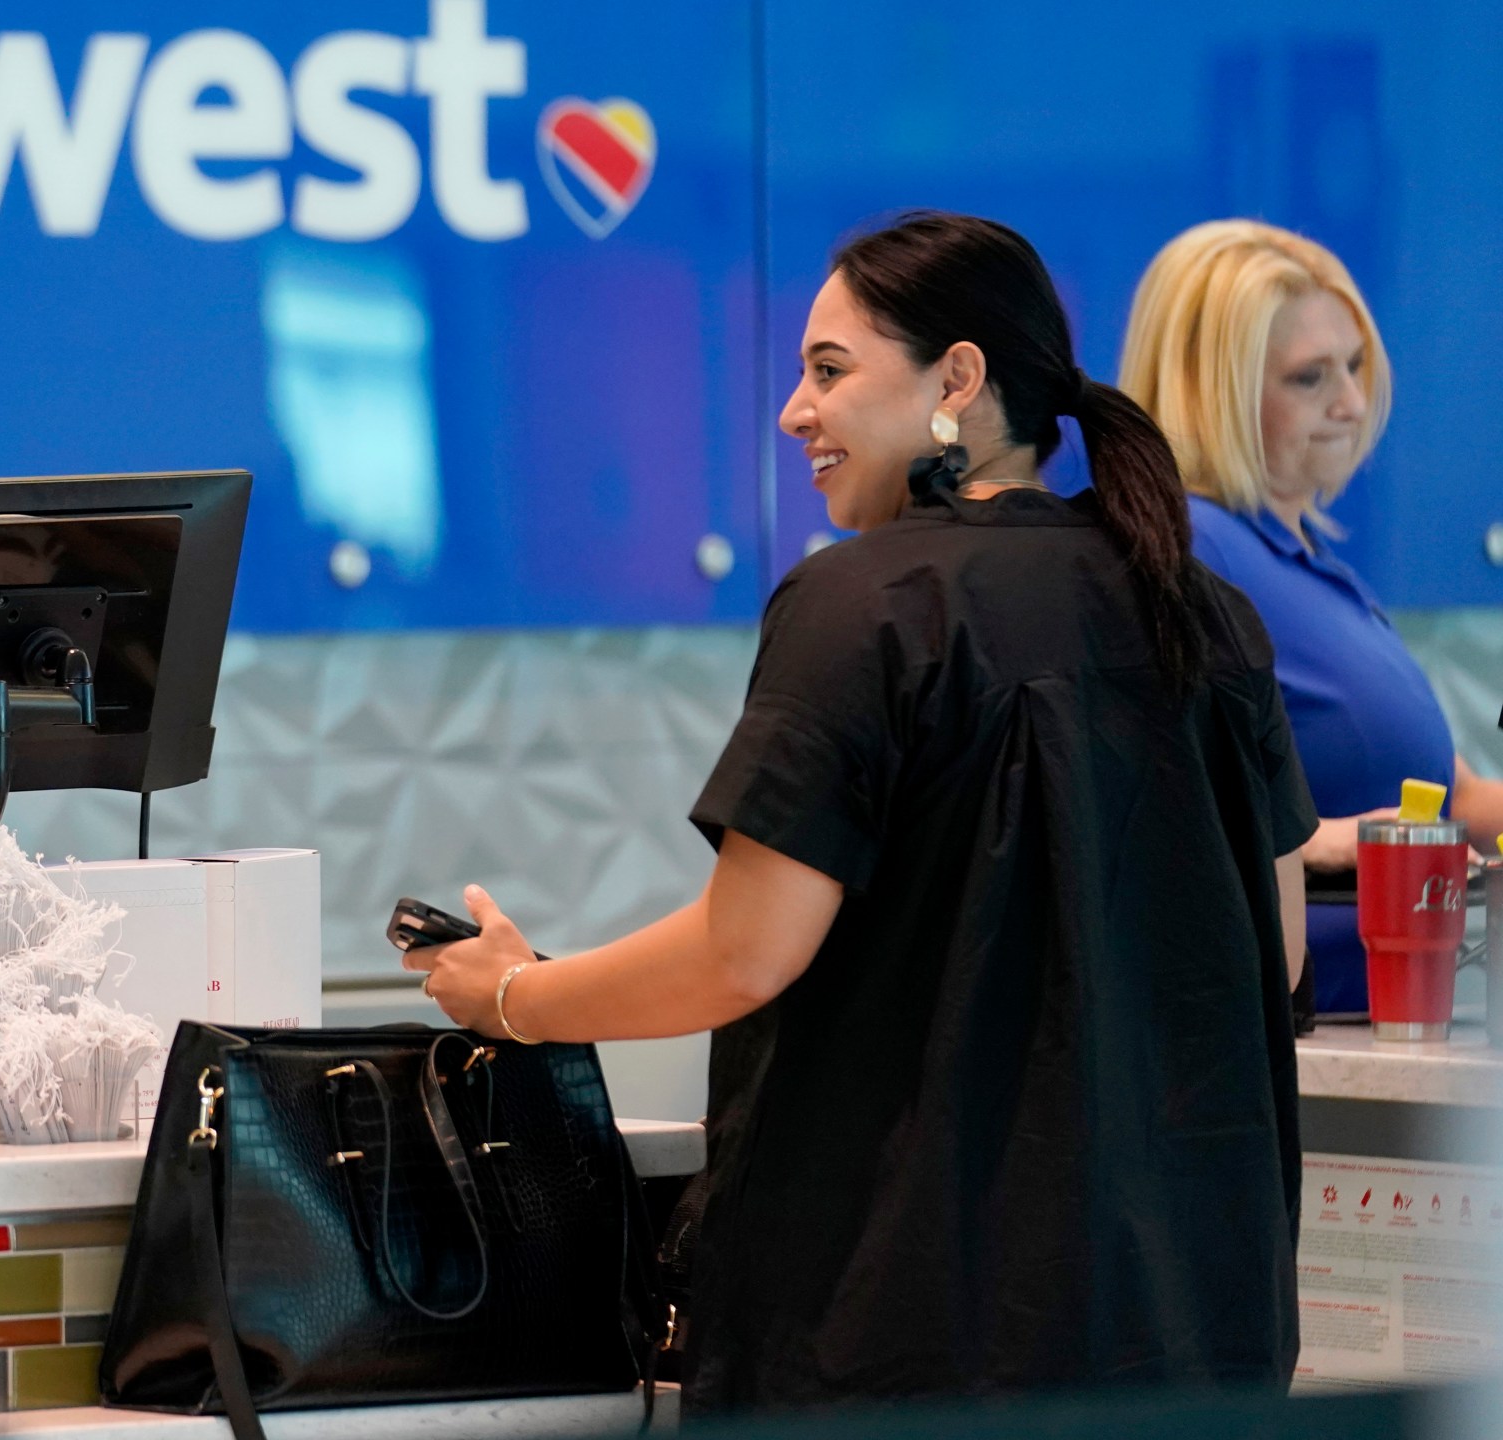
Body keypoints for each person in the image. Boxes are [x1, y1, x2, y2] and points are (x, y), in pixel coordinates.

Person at [406, 213, 1315, 1410]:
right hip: (1194, 1332)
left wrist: (514, 1000)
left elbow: (743, 953)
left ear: (959, 378)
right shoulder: (1200, 608)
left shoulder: (860, 606)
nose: (794, 411)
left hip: (909, 1337)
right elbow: (1279, 948)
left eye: (830, 370)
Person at [1120, 219, 1503, 1014]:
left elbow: (1452, 798)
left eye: (1357, 366)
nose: (1353, 403)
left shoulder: (1308, 564)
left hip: (1391, 1014)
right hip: (1299, 1034)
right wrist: (1326, 843)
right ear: (1210, 388)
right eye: (1309, 378)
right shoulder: (1193, 554)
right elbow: (1141, 812)